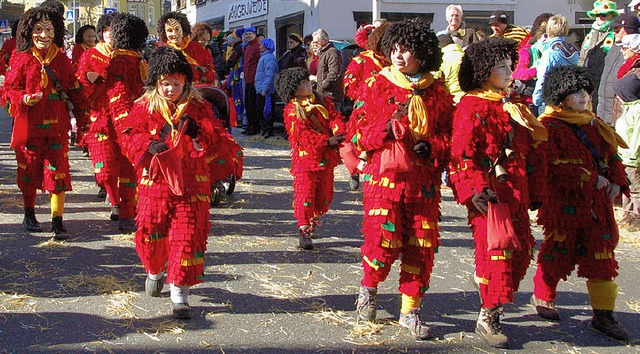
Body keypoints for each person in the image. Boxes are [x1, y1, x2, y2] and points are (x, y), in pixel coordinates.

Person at [354, 18, 454, 341]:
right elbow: (357, 132)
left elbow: (450, 137)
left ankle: (410, 310)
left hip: (424, 184)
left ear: (423, 54)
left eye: (406, 49)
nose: (398, 55)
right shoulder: (375, 84)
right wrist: (381, 132)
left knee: (420, 246)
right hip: (385, 181)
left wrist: (433, 146)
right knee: (382, 240)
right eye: (394, 48)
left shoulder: (436, 91)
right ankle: (368, 288)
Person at [448, 37, 547, 348]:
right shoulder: (470, 105)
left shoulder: (515, 105)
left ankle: (496, 307)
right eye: (501, 67)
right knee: (496, 257)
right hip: (489, 197)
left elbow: (531, 152)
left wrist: (537, 189)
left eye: (509, 66)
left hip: (516, 193)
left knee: (520, 255)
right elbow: (462, 153)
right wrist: (474, 189)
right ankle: (489, 315)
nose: (509, 72)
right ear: (482, 72)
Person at [118, 46, 223, 319]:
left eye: (176, 84)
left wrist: (200, 132)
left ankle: (180, 293)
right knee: (152, 233)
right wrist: (149, 144)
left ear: (186, 82)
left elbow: (218, 139)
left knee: (187, 236)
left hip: (192, 184)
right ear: (156, 83)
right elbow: (129, 136)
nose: (170, 89)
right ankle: (155, 268)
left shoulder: (199, 107)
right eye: (165, 84)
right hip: (156, 183)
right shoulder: (143, 106)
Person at [530, 65, 629, 342]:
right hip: (565, 206)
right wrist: (588, 177)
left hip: (598, 208)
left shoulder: (595, 125)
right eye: (575, 92)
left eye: (585, 91)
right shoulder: (549, 126)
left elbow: (612, 158)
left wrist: (617, 181)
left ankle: (604, 315)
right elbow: (550, 166)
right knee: (558, 251)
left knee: (602, 257)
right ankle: (544, 296)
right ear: (560, 97)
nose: (583, 97)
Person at [1, 7, 85, 239]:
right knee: (28, 173)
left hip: (57, 129)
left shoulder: (60, 59)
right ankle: (29, 213)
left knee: (58, 174)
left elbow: (74, 89)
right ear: (29, 32)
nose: (44, 35)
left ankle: (57, 221)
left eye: (48, 29)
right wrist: (24, 99)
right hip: (30, 129)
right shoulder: (21, 58)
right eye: (38, 30)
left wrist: (86, 116)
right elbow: (6, 93)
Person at [75, 12, 137, 233]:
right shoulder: (91, 55)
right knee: (106, 170)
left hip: (127, 121)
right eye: (108, 30)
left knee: (129, 168)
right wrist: (94, 82)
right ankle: (115, 200)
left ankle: (127, 212)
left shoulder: (132, 57)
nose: (112, 34)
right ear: (102, 33)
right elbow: (81, 85)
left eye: (116, 30)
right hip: (99, 120)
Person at [274, 67, 346, 250]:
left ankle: (313, 218)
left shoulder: (322, 100)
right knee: (305, 195)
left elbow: (334, 117)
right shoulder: (292, 110)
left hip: (326, 158)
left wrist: (339, 130)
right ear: (294, 89)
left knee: (325, 196)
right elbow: (302, 135)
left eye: (308, 81)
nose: (309, 84)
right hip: (306, 160)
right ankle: (304, 229)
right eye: (304, 83)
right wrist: (327, 141)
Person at [343, 22, 391, 190]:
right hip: (364, 111)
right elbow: (349, 82)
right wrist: (365, 95)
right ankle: (354, 170)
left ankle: (374, 177)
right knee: (357, 143)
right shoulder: (362, 59)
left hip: (385, 111)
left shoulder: (392, 63)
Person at [105, 13, 149, 163]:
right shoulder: (120, 61)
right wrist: (125, 123)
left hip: (139, 115)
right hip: (128, 119)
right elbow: (118, 94)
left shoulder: (136, 58)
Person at [532, 14, 580, 115]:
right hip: (569, 99)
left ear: (548, 30)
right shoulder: (573, 50)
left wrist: (536, 99)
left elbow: (542, 79)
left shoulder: (550, 53)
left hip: (551, 101)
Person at [598, 12, 640, 124]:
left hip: (624, 117)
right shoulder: (613, 49)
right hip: (605, 112)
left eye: (617, 30)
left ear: (628, 30)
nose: (614, 34)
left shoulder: (633, 55)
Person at [579, 1, 620, 112]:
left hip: (606, 83)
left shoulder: (616, 33)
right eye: (597, 14)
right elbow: (583, 56)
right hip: (588, 82)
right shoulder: (592, 33)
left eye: (603, 15)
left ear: (612, 15)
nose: (599, 17)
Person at [158, 12, 216, 85]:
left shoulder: (197, 48)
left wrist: (204, 76)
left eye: (177, 29)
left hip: (195, 91)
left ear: (183, 30)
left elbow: (210, 69)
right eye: (169, 30)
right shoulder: (160, 52)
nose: (174, 34)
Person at [512, 13, 553, 111]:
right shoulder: (528, 50)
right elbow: (517, 73)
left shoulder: (554, 51)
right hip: (529, 100)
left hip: (548, 99)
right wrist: (538, 70)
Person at [614, 70, 640, 227]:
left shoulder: (637, 111)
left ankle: (636, 217)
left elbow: (637, 135)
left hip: (632, 158)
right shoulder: (629, 109)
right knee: (626, 187)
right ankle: (628, 216)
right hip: (623, 156)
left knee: (636, 189)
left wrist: (634, 154)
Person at [312, 29, 343, 111]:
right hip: (323, 95)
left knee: (334, 121)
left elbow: (334, 73)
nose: (314, 44)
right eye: (313, 42)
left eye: (316, 42)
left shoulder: (332, 52)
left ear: (325, 40)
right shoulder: (323, 53)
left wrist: (323, 86)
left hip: (331, 96)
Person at [255, 38, 278, 138]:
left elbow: (270, 74)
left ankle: (268, 129)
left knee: (266, 111)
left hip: (266, 91)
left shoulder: (269, 58)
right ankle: (264, 129)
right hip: (261, 89)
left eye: (261, 45)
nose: (259, 46)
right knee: (261, 110)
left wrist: (265, 88)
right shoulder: (264, 57)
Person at [240, 26, 261, 135]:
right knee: (248, 104)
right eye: (246, 34)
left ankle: (254, 127)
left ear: (254, 34)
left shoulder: (257, 46)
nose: (248, 36)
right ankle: (249, 125)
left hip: (253, 79)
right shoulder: (248, 47)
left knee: (253, 104)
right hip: (247, 79)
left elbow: (258, 63)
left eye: (250, 34)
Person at [436, 33, 464, 103]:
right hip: (467, 98)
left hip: (452, 99)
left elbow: (435, 79)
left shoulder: (441, 59)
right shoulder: (465, 56)